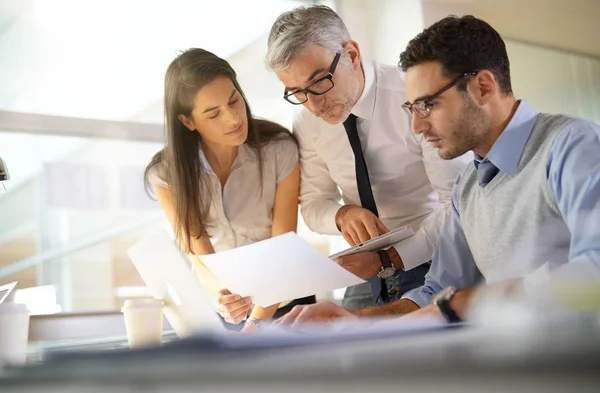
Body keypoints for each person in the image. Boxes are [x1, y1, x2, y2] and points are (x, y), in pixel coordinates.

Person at [277, 15, 600, 325]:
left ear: (483, 87)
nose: (416, 126)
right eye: (411, 108)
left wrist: (463, 303)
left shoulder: (573, 146)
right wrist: (352, 322)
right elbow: (433, 294)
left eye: (427, 105)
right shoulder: (469, 187)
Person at [265, 5, 471, 310]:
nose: (314, 105)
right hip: (366, 269)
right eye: (297, 92)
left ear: (351, 54)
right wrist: (342, 215)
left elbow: (460, 207)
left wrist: (387, 259)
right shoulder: (306, 120)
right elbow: (313, 204)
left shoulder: (412, 95)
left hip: (434, 255)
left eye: (319, 81)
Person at [144, 48, 315, 332]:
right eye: (213, 114)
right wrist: (220, 296)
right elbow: (198, 254)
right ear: (188, 122)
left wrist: (257, 320)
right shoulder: (165, 174)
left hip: (286, 303)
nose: (234, 119)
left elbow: (283, 249)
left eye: (234, 100)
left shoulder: (279, 150)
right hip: (227, 308)